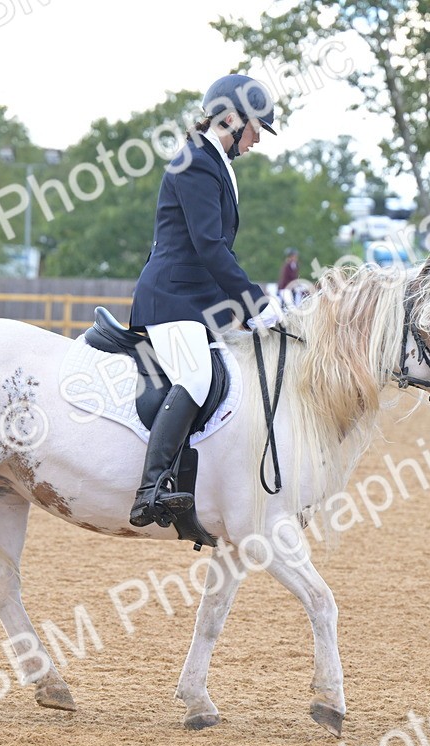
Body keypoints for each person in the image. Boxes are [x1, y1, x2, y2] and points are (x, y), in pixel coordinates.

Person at [127, 74, 279, 533]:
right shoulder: (195, 161)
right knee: (194, 375)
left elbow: (213, 253)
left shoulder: (215, 163)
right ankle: (150, 489)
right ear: (231, 119)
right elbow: (210, 246)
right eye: (255, 129)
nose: (256, 141)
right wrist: (256, 304)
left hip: (196, 301)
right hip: (171, 298)